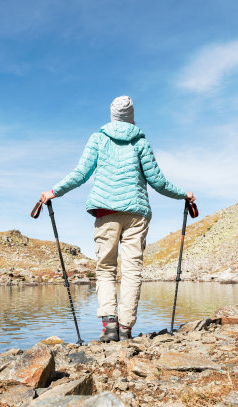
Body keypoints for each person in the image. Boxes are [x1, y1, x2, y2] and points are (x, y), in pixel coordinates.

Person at [40, 96, 195, 342]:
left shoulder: (98, 139)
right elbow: (158, 182)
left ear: (112, 115)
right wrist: (183, 194)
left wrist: (54, 191)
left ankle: (109, 326)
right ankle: (126, 329)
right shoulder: (141, 142)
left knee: (105, 268)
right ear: (132, 115)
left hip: (106, 212)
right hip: (137, 213)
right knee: (133, 270)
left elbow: (81, 173)